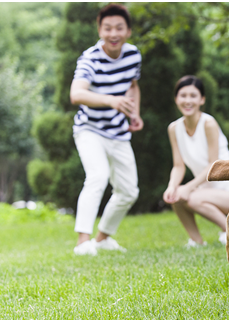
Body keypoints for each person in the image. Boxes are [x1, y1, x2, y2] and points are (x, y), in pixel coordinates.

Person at [70, 4, 143, 255]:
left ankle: (102, 238)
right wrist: (112, 100)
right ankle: (82, 242)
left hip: (119, 132)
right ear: (100, 30)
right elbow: (76, 93)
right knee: (98, 177)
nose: (113, 33)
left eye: (119, 28)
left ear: (128, 31)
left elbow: (133, 84)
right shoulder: (90, 58)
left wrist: (134, 113)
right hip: (89, 129)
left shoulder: (133, 54)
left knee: (128, 190)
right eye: (108, 28)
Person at [163, 75, 229, 247]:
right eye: (183, 95)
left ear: (202, 100)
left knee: (190, 197)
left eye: (193, 96)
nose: (188, 100)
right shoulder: (174, 128)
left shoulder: (208, 123)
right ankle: (196, 242)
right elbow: (178, 166)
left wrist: (189, 187)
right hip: (204, 191)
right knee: (177, 195)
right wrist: (172, 186)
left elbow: (214, 165)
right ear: (176, 99)